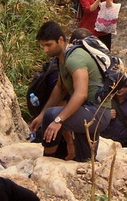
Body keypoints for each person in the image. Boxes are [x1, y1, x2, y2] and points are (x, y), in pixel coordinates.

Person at [29, 29, 111, 162]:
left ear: (61, 40)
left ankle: (47, 162)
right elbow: (60, 89)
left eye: (48, 45)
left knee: (52, 116)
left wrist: (58, 120)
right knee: (85, 160)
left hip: (96, 112)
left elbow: (81, 93)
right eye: (43, 46)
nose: (45, 50)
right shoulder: (62, 59)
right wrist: (41, 115)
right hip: (87, 110)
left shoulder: (75, 59)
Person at [102, 73, 127, 148]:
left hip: (125, 144)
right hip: (105, 143)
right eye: (117, 85)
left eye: (124, 86)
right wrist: (105, 116)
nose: (120, 89)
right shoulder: (105, 97)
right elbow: (93, 116)